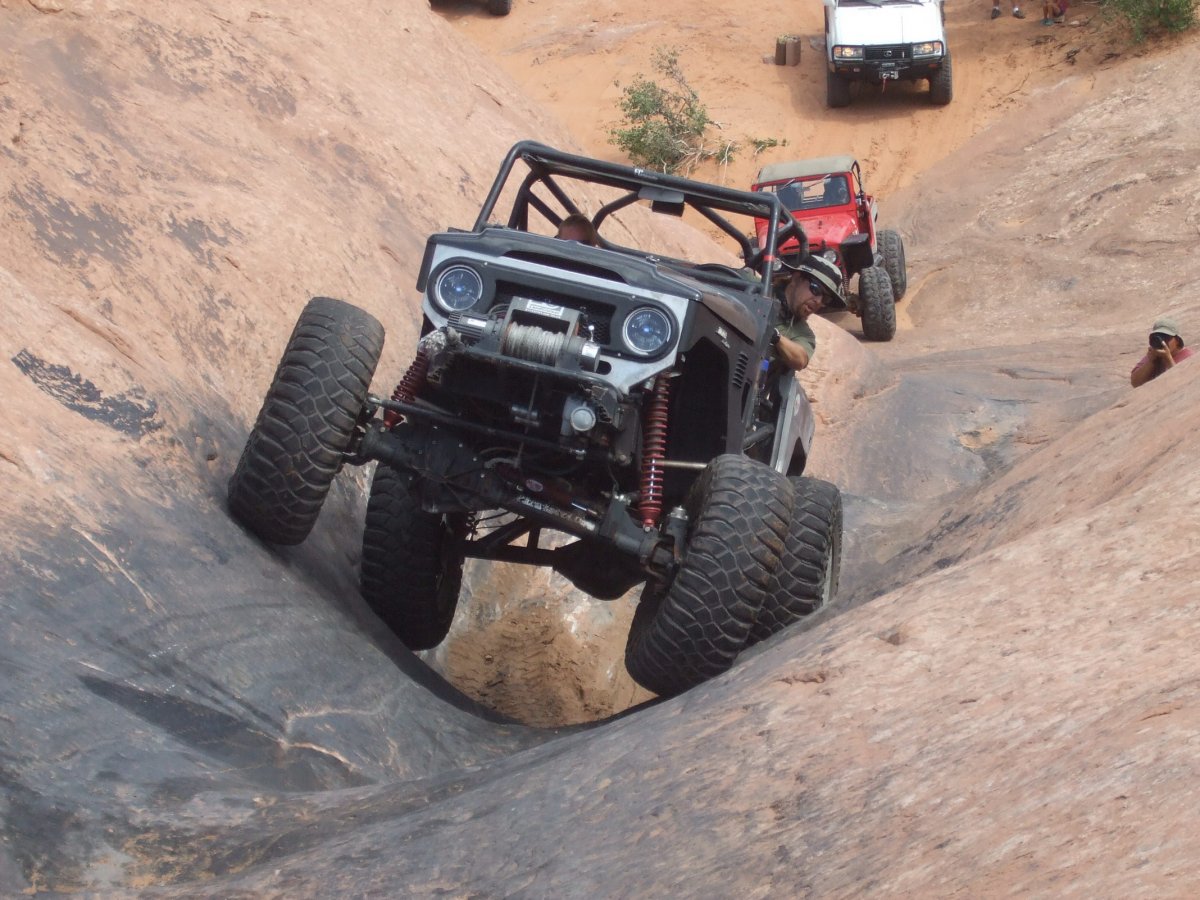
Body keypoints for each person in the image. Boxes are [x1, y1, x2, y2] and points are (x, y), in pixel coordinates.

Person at [772, 255, 842, 373]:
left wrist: (775, 336)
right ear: (796, 279)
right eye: (815, 289)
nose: (819, 301)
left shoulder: (803, 333)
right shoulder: (757, 289)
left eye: (825, 299)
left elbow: (800, 359)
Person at [1130, 316, 1194, 387]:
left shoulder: (1189, 357)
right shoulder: (1154, 353)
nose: (1162, 341)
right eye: (1157, 337)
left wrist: (1168, 359)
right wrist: (1151, 362)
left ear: (1177, 340)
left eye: (1166, 337)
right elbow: (1135, 383)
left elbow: (1181, 384)